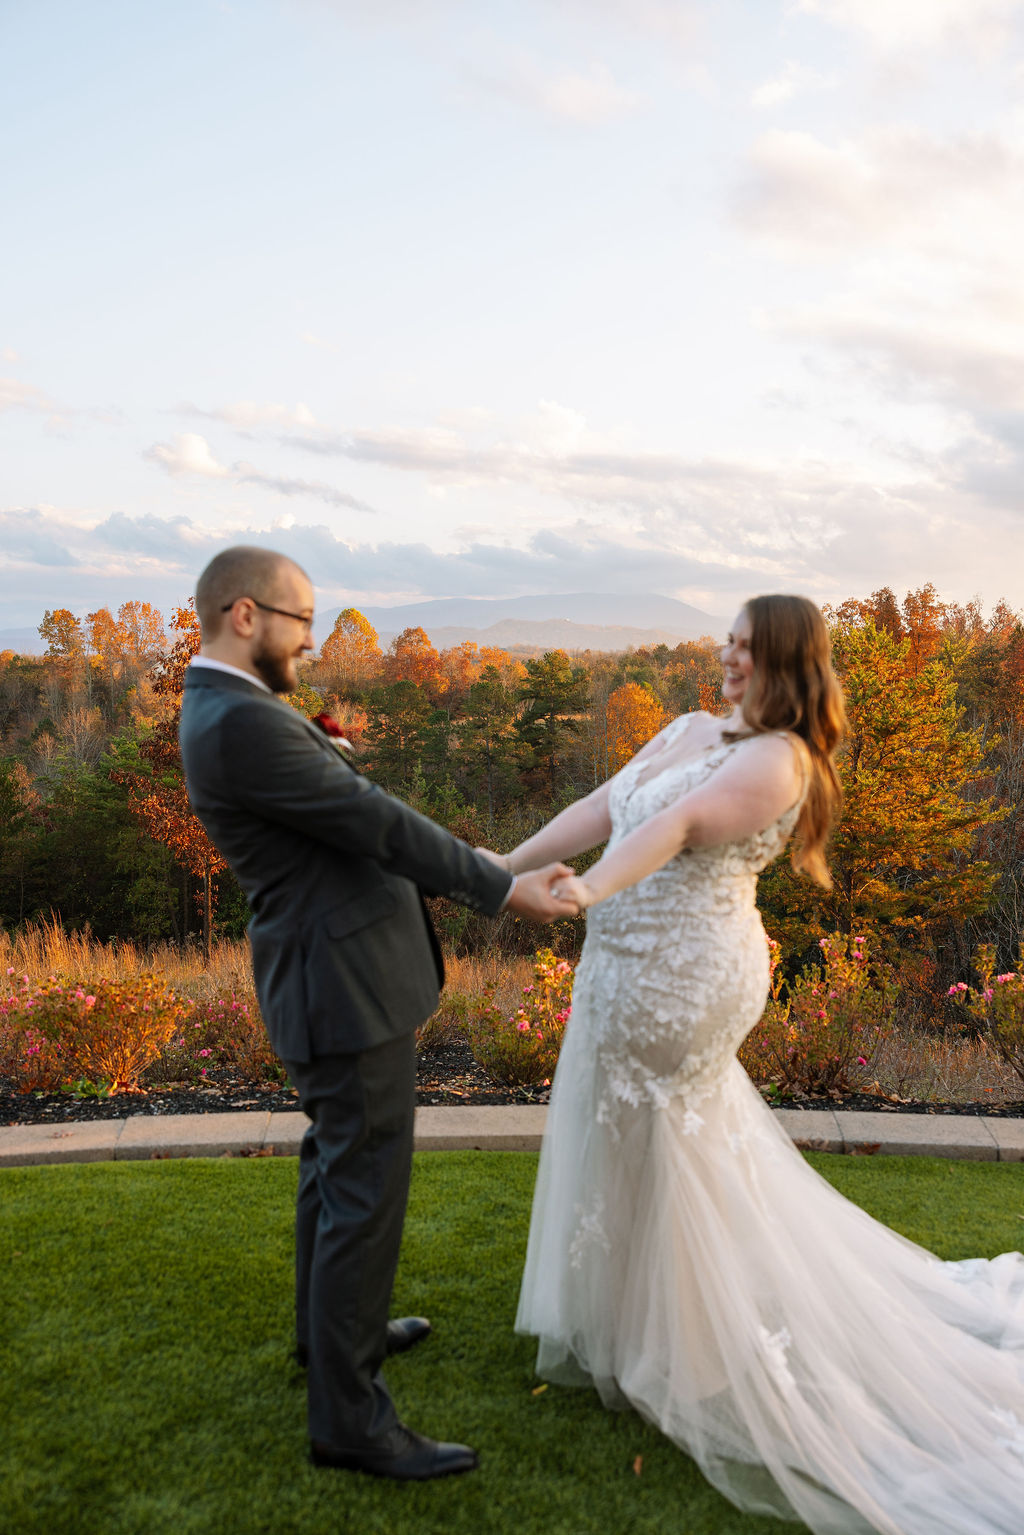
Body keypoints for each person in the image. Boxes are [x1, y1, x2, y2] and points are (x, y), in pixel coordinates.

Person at [495, 595, 1024, 1535]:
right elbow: (604, 806)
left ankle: (695, 1349)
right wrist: (502, 865)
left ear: (787, 660)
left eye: (745, 645)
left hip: (687, 976)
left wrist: (587, 891)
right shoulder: (690, 725)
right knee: (620, 1133)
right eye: (727, 640)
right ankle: (630, 1327)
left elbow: (683, 826)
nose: (726, 655)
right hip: (621, 968)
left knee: (677, 1143)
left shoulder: (781, 760)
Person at [178, 546, 577, 1483]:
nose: (312, 641)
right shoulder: (238, 722)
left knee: (334, 1167)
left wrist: (488, 858)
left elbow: (360, 815)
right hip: (339, 982)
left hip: (333, 972)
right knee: (363, 1186)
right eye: (300, 620)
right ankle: (351, 1421)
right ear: (244, 614)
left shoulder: (238, 708)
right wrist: (505, 889)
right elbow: (374, 820)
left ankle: (331, 1340)